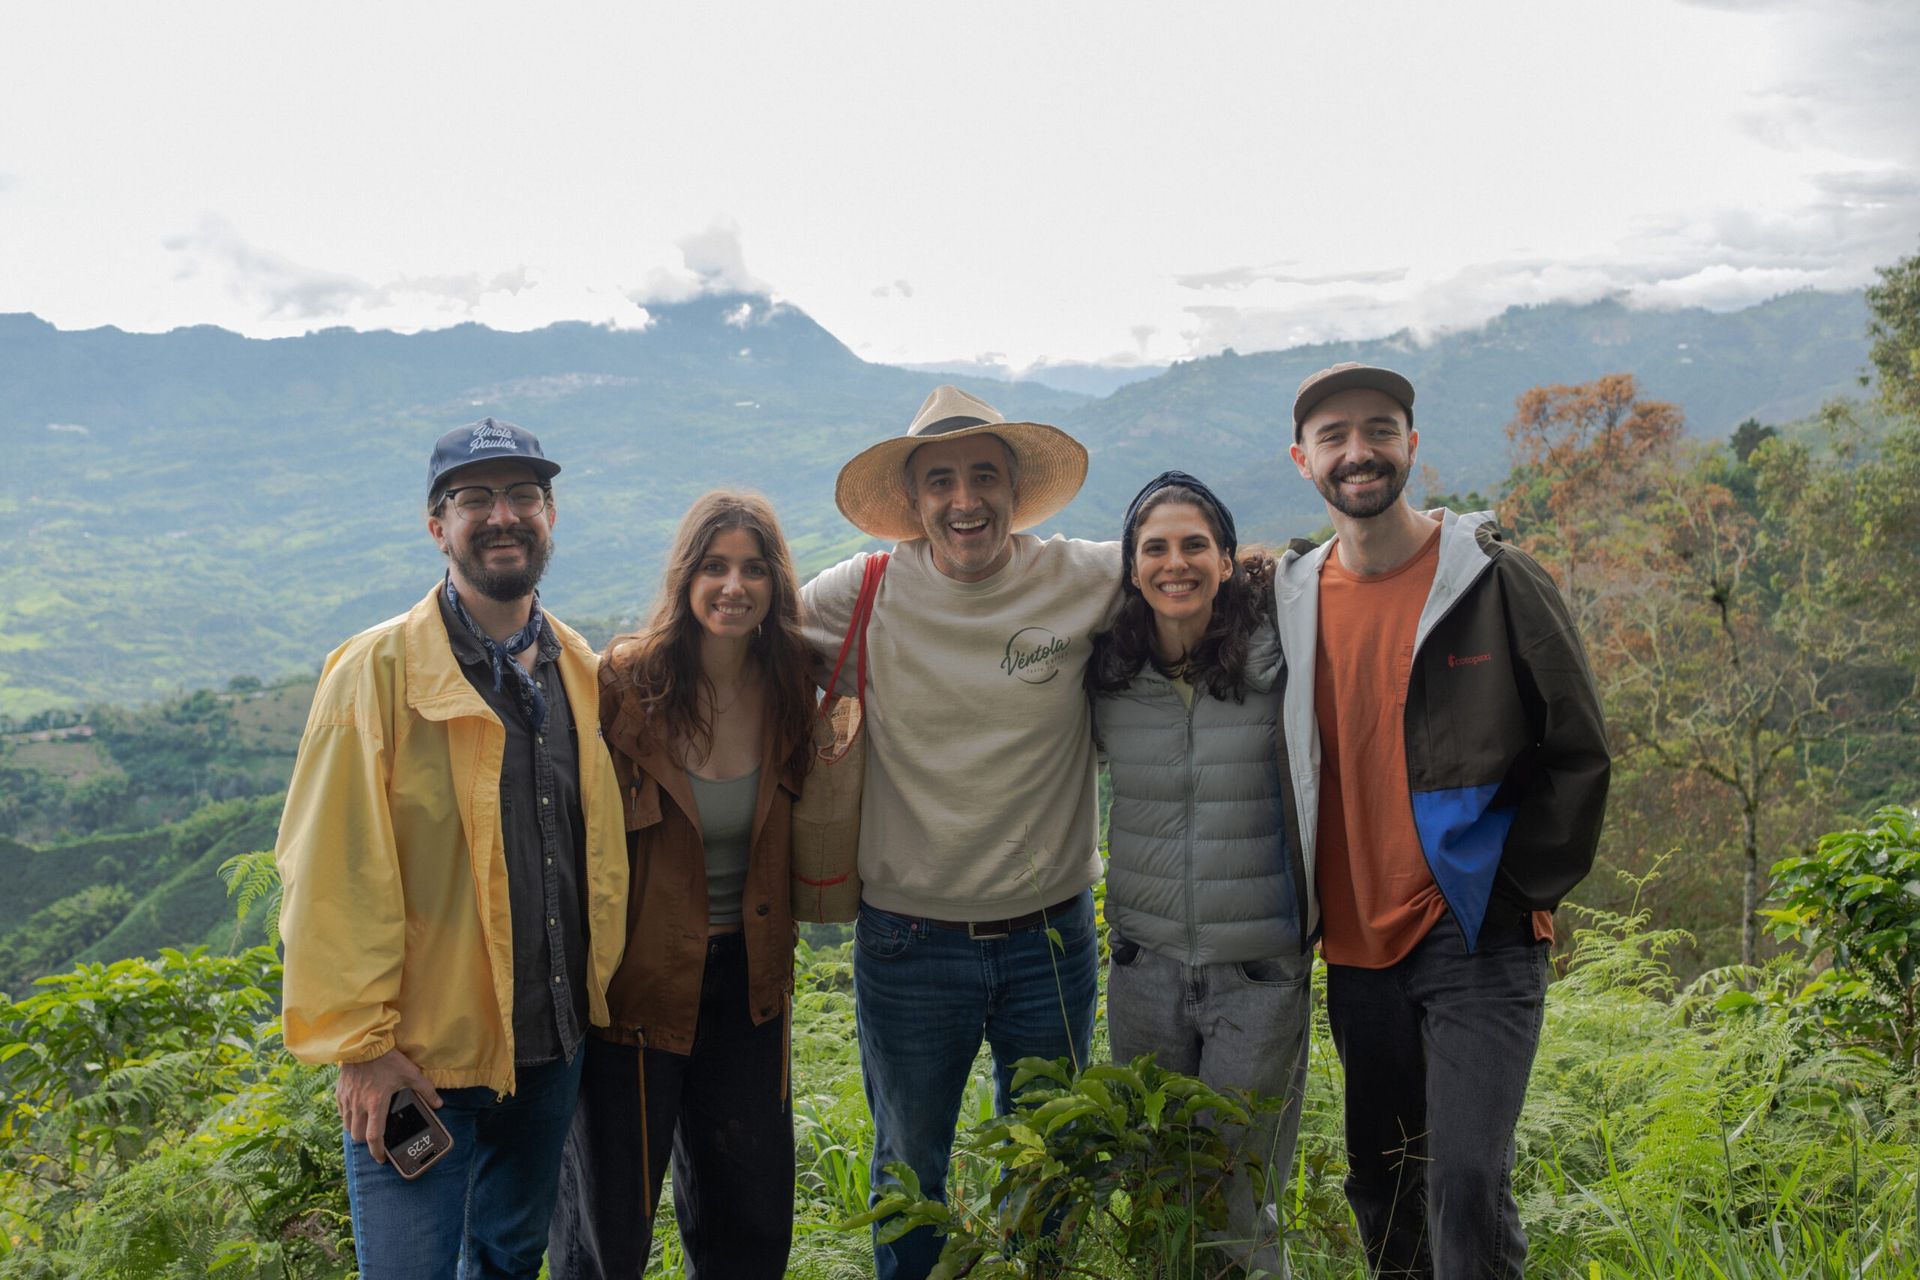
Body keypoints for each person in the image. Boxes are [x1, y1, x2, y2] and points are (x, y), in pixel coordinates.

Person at [1276, 364, 1611, 1278]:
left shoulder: (1495, 581)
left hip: (1475, 937)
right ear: (1302, 458)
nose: (1359, 452)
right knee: (1383, 1189)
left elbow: (1577, 750)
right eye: (1336, 436)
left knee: (1465, 1185)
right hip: (1353, 949)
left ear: (1411, 446)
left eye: (1379, 430)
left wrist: (1509, 893)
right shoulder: (1291, 596)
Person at [275, 418, 628, 1279]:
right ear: (438, 526)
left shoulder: (576, 668)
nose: (502, 515)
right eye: (475, 499)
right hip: (420, 1067)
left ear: (550, 516)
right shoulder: (376, 674)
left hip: (549, 1050)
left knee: (507, 1260)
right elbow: (328, 874)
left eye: (523, 497)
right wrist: (361, 1048)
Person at [800, 385, 1121, 1280]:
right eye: (940, 480)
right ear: (912, 501)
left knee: (1051, 1175)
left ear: (1017, 490)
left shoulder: (1083, 576)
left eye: (984, 476)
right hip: (906, 943)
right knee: (910, 1177)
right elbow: (733, 620)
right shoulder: (861, 593)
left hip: (1051, 939)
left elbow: (1203, 564)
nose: (964, 500)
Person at [550, 492, 815, 1279]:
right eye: (715, 566)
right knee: (609, 1228)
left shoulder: (794, 684)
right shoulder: (627, 688)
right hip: (637, 986)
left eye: (753, 569)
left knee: (753, 1216)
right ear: (686, 577)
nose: (734, 586)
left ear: (775, 583)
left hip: (750, 986)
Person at [1088, 470, 1313, 1278]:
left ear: (1226, 560)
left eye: (1193, 546)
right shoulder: (1111, 673)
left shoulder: (1280, 653)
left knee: (1241, 1205)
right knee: (1157, 1198)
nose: (1173, 564)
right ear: (1132, 564)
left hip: (1257, 974)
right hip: (1143, 969)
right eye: (1155, 548)